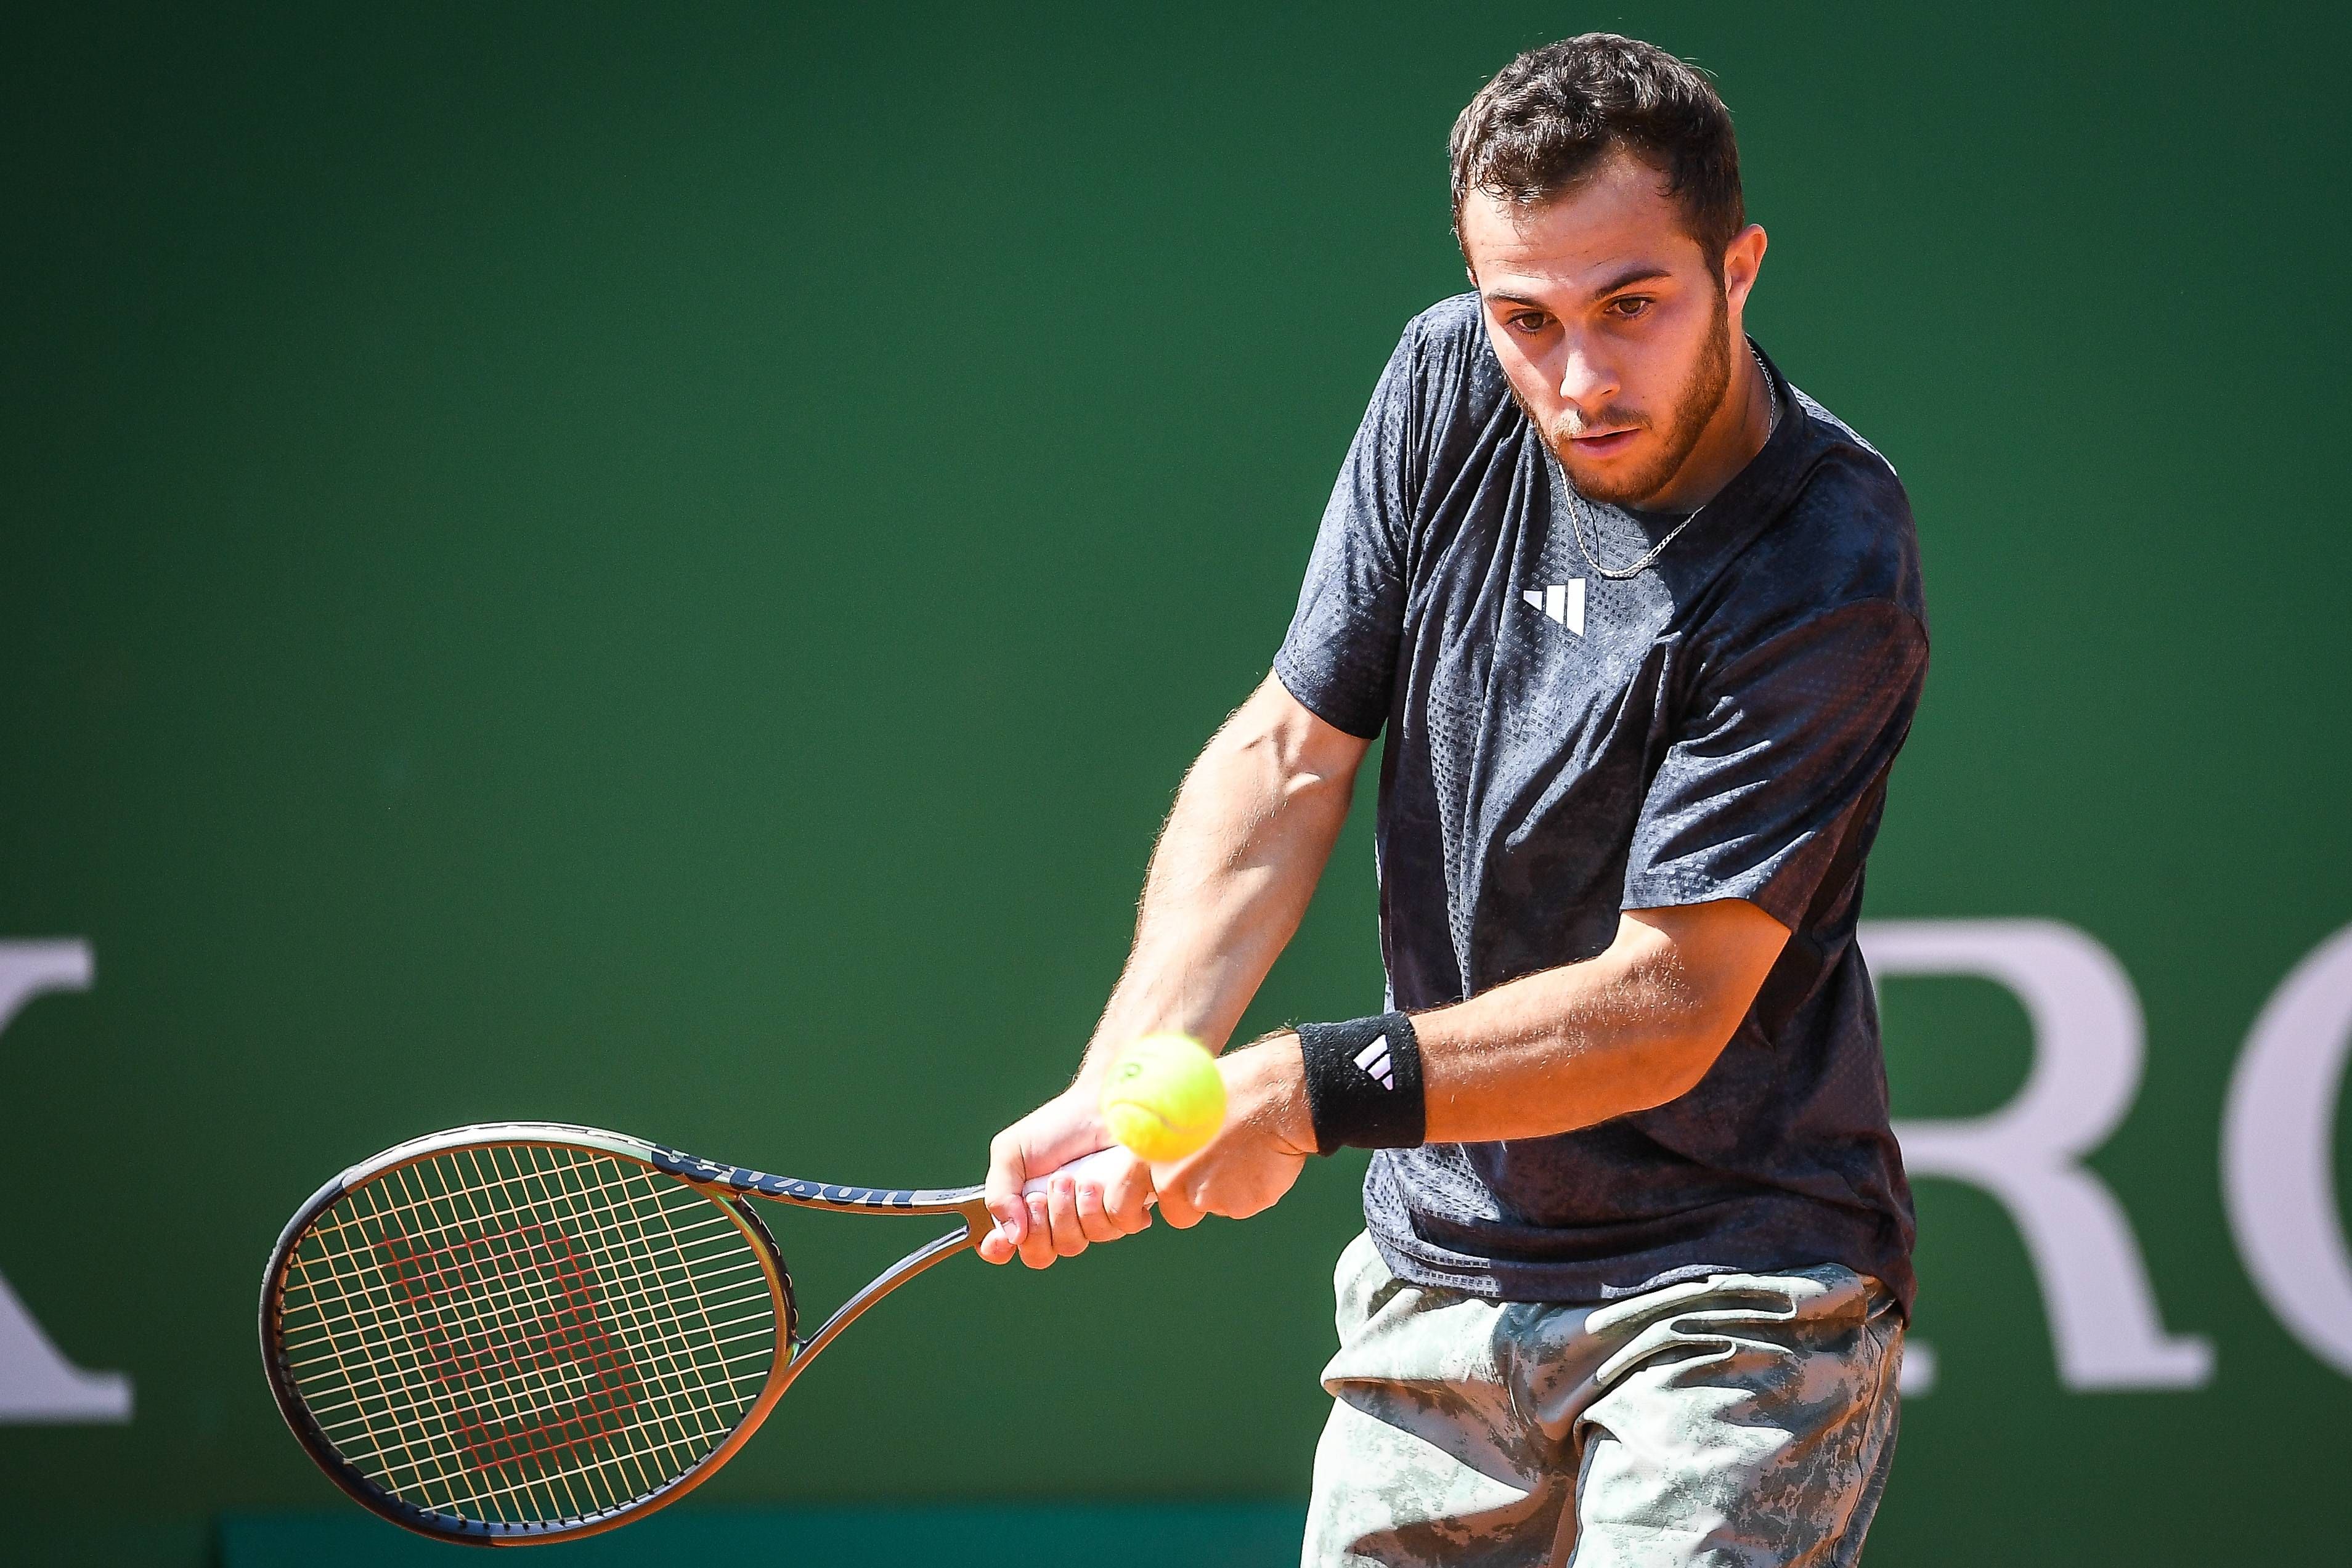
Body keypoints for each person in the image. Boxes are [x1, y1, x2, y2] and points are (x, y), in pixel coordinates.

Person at [979, 32, 1926, 1568]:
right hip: (1440, 1272)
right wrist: (1131, 1073)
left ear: (1738, 268)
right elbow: (1287, 757)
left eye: (1632, 306)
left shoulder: (1830, 554)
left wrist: (1296, 1088)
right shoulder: (1443, 380)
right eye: (1525, 317)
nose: (1577, 378)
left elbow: (1665, 1004)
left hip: (1734, 1285)